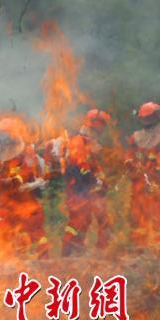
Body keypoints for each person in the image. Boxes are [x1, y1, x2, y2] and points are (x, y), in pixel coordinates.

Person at [0, 118, 50, 258]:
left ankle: (45, 260)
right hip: (6, 199)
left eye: (5, 133)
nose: (3, 136)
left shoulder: (26, 150)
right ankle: (10, 260)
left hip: (24, 198)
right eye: (1, 133)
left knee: (33, 228)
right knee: (2, 227)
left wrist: (15, 180)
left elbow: (29, 170)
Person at [125, 102, 160, 249]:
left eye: (148, 118)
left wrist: (158, 174)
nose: (146, 121)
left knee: (159, 213)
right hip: (139, 181)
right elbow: (129, 154)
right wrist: (129, 163)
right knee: (138, 213)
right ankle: (138, 246)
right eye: (144, 118)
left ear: (157, 117)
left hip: (158, 182)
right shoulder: (136, 137)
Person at [61, 109, 112, 255]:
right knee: (78, 220)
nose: (103, 129)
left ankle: (101, 251)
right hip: (78, 189)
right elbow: (82, 166)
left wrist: (101, 183)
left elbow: (93, 167)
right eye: (103, 125)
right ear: (96, 124)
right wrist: (94, 181)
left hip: (88, 189)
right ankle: (67, 252)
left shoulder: (90, 142)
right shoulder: (79, 141)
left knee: (97, 218)